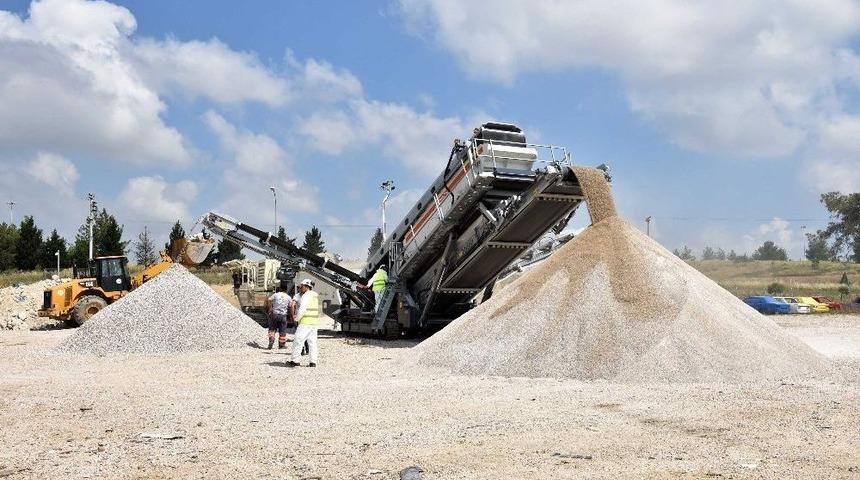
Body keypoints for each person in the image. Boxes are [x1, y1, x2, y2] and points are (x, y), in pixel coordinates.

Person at [288, 279, 320, 367]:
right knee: (312, 343)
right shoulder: (315, 295)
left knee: (298, 341)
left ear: (307, 286)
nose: (300, 288)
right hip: (314, 323)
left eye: (301, 286)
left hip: (305, 322)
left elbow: (303, 309)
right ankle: (313, 362)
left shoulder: (306, 296)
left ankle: (295, 361)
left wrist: (296, 318)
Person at [265, 284, 293, 350]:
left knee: (272, 329)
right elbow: (291, 306)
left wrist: (270, 309)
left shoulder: (275, 295)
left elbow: (268, 300)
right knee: (282, 330)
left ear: (280, 288)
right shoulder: (288, 297)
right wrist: (291, 315)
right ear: (286, 289)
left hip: (274, 314)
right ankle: (281, 345)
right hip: (283, 315)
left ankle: (271, 341)